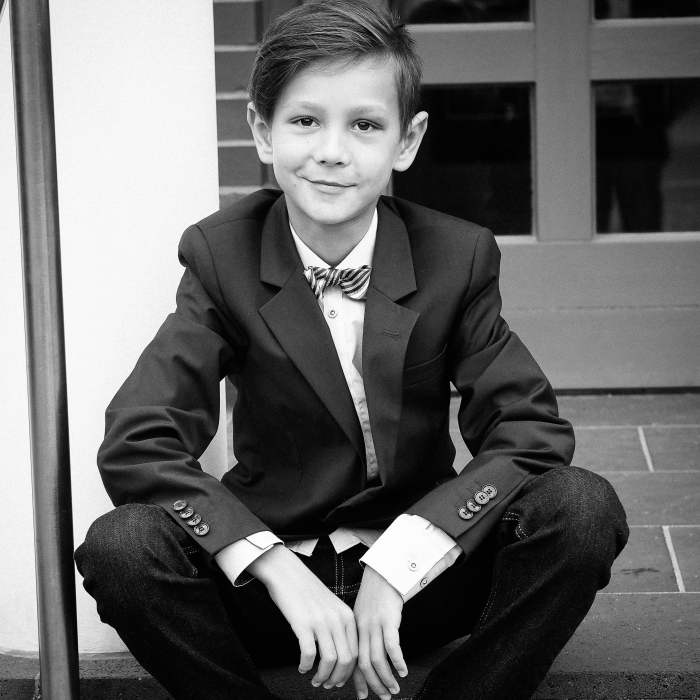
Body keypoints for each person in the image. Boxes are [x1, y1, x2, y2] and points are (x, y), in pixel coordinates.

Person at [74, 2, 629, 699]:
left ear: (407, 140)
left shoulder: (455, 256)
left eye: (365, 125)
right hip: (273, 591)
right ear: (262, 131)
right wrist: (272, 565)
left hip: (418, 581)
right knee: (121, 546)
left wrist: (403, 562)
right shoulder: (222, 255)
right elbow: (139, 440)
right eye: (305, 121)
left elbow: (531, 433)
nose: (332, 151)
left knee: (580, 508)